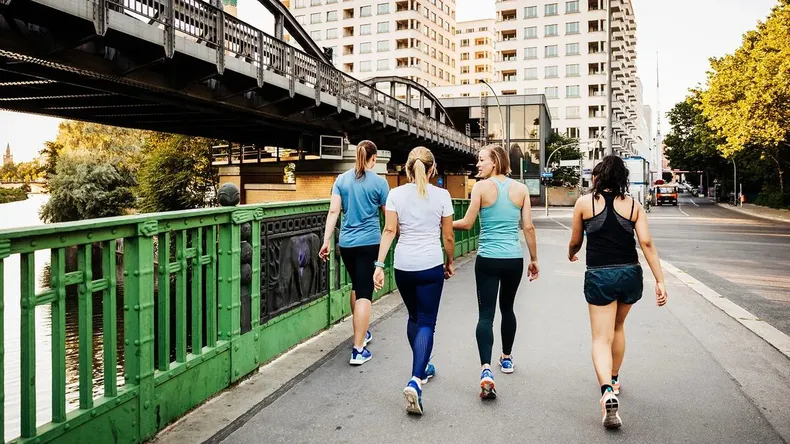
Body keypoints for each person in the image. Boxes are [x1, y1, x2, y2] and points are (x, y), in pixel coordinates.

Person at [567, 155, 668, 429]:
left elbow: (576, 241)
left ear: (597, 178)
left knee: (601, 338)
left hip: (600, 275)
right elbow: (646, 243)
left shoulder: (584, 203)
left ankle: (606, 392)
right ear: (622, 178)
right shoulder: (634, 206)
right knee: (619, 328)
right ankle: (614, 378)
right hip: (629, 274)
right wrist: (659, 280)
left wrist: (571, 254)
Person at [373, 146, 455, 415]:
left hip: (404, 266)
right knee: (427, 322)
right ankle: (416, 380)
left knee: (414, 318)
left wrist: (379, 264)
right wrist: (450, 261)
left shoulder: (395, 194)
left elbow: (389, 230)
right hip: (430, 264)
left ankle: (423, 366)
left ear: (408, 169)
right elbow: (448, 237)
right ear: (432, 170)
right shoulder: (442, 195)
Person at [453, 144, 539, 399]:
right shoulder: (521, 189)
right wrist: (534, 259)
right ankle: (507, 358)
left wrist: (444, 221)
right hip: (513, 258)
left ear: (495, 162)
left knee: (485, 315)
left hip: (488, 259)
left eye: (481, 160)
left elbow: (467, 223)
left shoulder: (480, 188)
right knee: (508, 309)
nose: (478, 165)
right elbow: (529, 228)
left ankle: (486, 370)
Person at [319, 140, 389, 366]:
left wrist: (326, 239)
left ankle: (362, 333)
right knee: (365, 293)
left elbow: (333, 211)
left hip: (346, 244)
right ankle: (358, 349)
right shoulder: (380, 183)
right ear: (374, 158)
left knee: (357, 286)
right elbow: (389, 218)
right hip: (370, 243)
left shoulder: (341, 180)